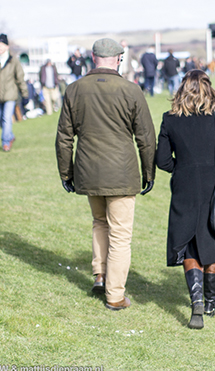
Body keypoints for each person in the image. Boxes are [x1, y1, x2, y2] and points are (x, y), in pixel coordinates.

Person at [56, 38, 156, 311]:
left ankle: (100, 274)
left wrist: (66, 173)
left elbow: (64, 138)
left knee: (100, 222)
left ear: (93, 57)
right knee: (120, 235)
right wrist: (149, 173)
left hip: (89, 172)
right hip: (121, 173)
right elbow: (146, 137)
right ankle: (114, 295)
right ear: (119, 59)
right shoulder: (131, 90)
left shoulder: (74, 89)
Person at [156, 69, 215, 329]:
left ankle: (197, 302)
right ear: (208, 88)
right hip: (213, 184)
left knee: (190, 244)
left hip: (184, 185)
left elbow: (162, 161)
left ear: (182, 89)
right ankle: (211, 303)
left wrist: (182, 166)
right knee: (212, 241)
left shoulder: (169, 119)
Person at [0, 33, 29, 152]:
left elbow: (20, 79)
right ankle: (10, 137)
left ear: (6, 47)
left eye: (0, 45)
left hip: (10, 96)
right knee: (0, 120)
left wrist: (25, 95)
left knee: (6, 118)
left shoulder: (13, 61)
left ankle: (5, 143)